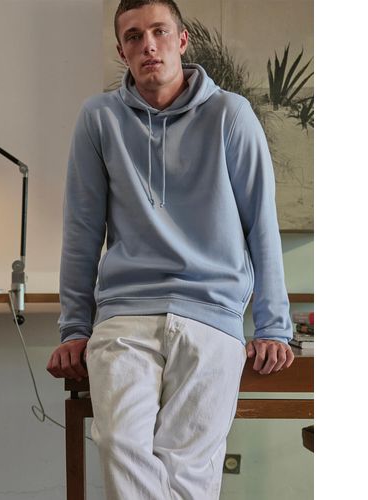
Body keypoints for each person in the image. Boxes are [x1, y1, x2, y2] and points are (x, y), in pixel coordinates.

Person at [47, 1, 295, 498]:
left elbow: (261, 225)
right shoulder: (99, 119)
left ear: (182, 41)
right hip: (125, 317)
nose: (148, 45)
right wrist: (75, 327)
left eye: (159, 32)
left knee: (189, 470)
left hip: (212, 316)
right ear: (122, 51)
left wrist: (273, 327)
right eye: (134, 36)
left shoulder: (231, 115)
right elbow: (81, 231)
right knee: (118, 443)